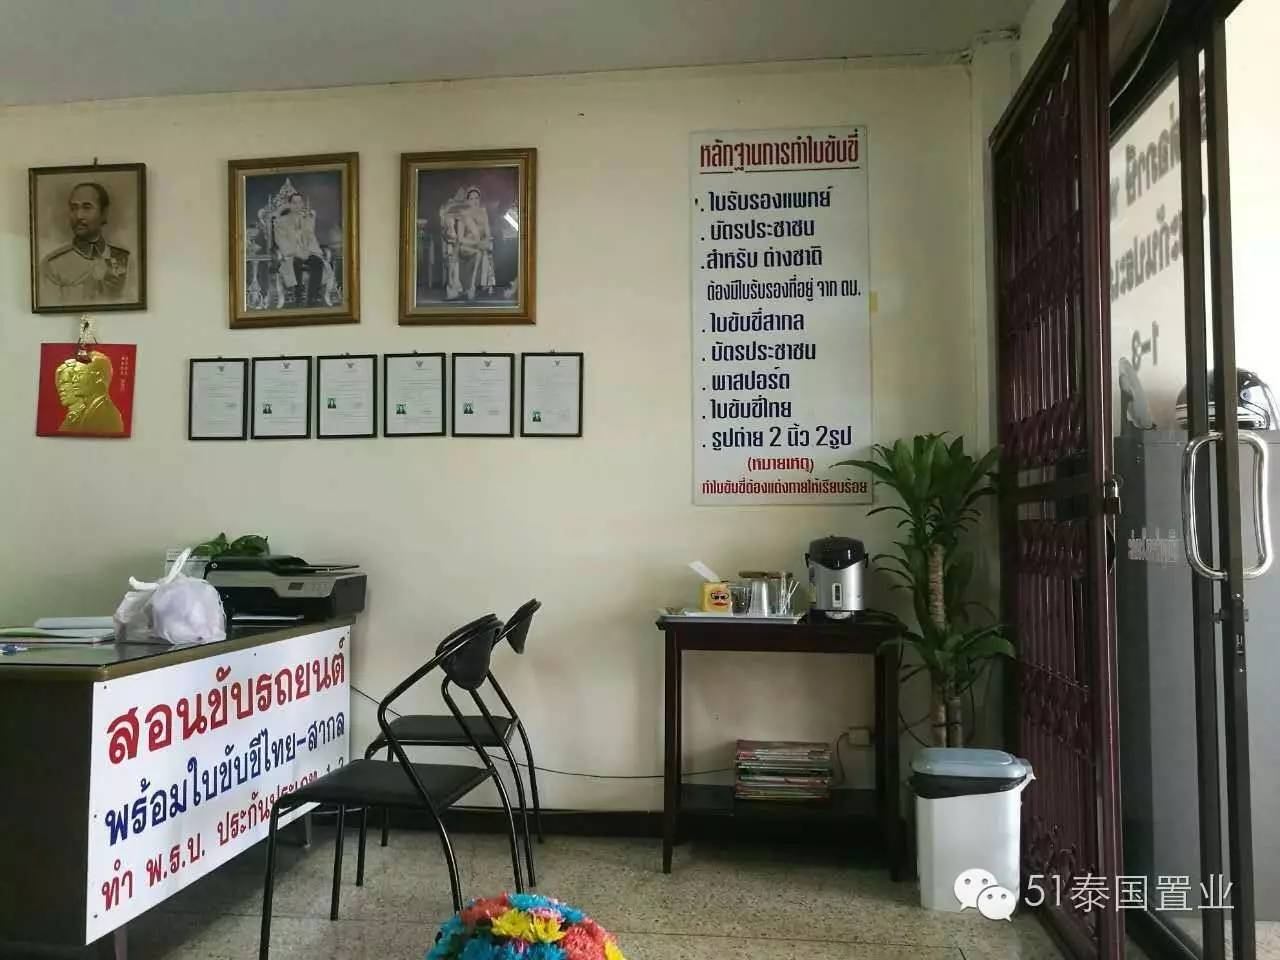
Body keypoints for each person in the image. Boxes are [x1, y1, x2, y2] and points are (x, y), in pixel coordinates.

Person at [40, 182, 130, 304]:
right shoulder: (52, 265)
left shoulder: (125, 260)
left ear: (104, 213)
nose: (78, 216)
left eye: (87, 207)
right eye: (74, 208)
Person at [440, 186, 495, 301]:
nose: (474, 201)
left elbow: (488, 233)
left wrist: (485, 241)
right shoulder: (463, 215)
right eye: (471, 198)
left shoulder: (483, 213)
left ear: (479, 199)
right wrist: (476, 243)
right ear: (467, 201)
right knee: (478, 252)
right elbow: (460, 239)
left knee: (481, 252)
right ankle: (470, 287)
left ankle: (472, 287)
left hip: (478, 245)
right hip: (464, 246)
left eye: (477, 198)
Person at [272, 192, 327, 307]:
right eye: (294, 203)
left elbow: (311, 238)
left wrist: (312, 251)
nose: (297, 205)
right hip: (291, 253)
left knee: (318, 262)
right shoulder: (282, 221)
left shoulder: (307, 219)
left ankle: (311, 298)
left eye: (299, 202)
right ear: (289, 205)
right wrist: (292, 251)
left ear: (302, 204)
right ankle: (298, 298)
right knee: (295, 263)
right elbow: (280, 239)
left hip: (307, 251)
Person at [56, 351, 125, 434]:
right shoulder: (83, 413)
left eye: (80, 374)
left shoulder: (107, 415)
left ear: (99, 377)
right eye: (74, 375)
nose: (74, 380)